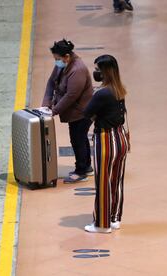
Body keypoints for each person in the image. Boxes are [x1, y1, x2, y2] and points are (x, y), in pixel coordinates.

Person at [83, 55, 129, 233]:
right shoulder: (119, 89)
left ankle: (102, 224)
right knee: (116, 181)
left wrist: (96, 116)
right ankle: (115, 218)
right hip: (121, 139)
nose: (95, 72)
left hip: (106, 141)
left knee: (102, 182)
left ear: (105, 72)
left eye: (97, 69)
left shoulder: (102, 93)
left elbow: (87, 112)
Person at [42, 39, 93, 183]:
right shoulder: (62, 65)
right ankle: (87, 166)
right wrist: (46, 104)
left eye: (57, 59)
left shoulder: (77, 70)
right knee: (80, 138)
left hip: (82, 112)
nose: (56, 62)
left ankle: (81, 171)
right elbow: (51, 82)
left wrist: (54, 111)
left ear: (67, 56)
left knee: (77, 140)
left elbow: (71, 96)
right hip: (74, 112)